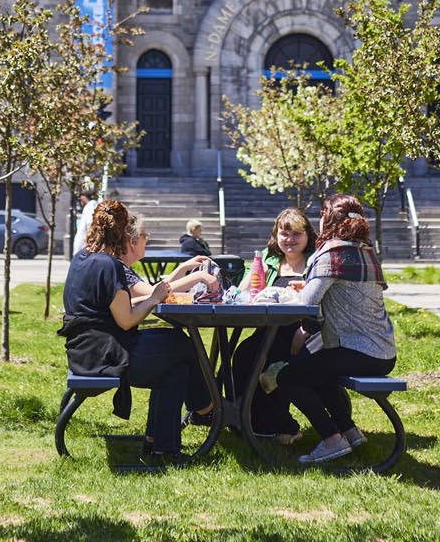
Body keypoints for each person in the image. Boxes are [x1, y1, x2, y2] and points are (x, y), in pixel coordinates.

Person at [59, 199, 214, 463]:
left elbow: (114, 307)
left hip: (86, 349)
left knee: (176, 369)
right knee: (182, 344)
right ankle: (207, 408)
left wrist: (153, 295)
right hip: (105, 356)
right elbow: (127, 321)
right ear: (121, 234)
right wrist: (154, 298)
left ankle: (161, 446)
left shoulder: (83, 258)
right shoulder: (108, 266)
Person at [271, 193, 396, 465]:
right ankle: (349, 432)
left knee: (289, 377)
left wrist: (276, 295)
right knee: (318, 372)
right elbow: (341, 293)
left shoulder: (332, 251)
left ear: (327, 219)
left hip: (356, 350)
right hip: (383, 352)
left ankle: (331, 438)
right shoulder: (365, 250)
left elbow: (306, 303)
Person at [231, 207, 315, 443]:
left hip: (301, 334)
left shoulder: (314, 262)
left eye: (296, 234)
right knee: (242, 356)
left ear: (308, 235)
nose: (290, 240)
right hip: (267, 330)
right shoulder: (270, 261)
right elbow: (243, 292)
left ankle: (282, 426)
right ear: (275, 236)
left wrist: (305, 331)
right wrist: (257, 268)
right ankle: (243, 419)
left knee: (263, 363)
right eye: (284, 234)